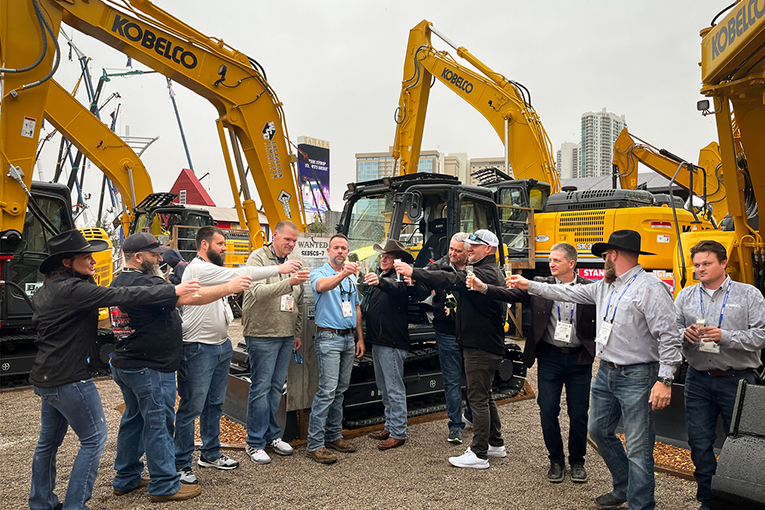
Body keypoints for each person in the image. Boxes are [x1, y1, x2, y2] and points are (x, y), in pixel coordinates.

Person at [509, 230, 683, 510]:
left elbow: (669, 336)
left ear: (613, 255)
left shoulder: (650, 287)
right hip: (606, 371)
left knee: (638, 446)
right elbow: (565, 290)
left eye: (604, 256)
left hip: (639, 375)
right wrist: (530, 285)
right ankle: (625, 486)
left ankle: (641, 503)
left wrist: (665, 378)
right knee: (599, 431)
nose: (603, 261)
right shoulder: (604, 286)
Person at [28, 229, 199, 510]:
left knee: (48, 443)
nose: (94, 262)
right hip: (70, 377)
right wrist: (172, 290)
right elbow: (119, 293)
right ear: (67, 262)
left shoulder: (50, 288)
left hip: (46, 375)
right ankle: (75, 505)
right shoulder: (73, 289)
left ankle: (41, 502)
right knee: (94, 440)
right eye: (87, 257)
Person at [110, 232, 251, 502]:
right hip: (149, 366)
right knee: (159, 424)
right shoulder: (144, 284)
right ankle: (165, 484)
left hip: (130, 363)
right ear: (138, 257)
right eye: (154, 254)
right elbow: (190, 298)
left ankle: (126, 477)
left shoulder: (122, 280)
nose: (160, 258)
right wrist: (230, 287)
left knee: (135, 420)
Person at [174, 226, 301, 484]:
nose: (224, 248)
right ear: (204, 246)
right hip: (198, 346)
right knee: (191, 407)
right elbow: (244, 273)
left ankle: (210, 453)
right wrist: (279, 271)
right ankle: (181, 463)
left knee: (214, 404)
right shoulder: (198, 268)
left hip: (221, 345)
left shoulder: (214, 272)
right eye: (220, 244)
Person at [471, 243, 596, 483]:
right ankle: (556, 460)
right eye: (550, 259)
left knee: (579, 414)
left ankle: (577, 461)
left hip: (579, 360)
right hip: (550, 358)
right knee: (548, 410)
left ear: (572, 263)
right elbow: (510, 294)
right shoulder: (541, 286)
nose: (551, 264)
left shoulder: (589, 290)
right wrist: (484, 288)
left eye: (557, 260)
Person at [396, 229, 507, 469]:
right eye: (467, 246)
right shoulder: (484, 269)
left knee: (477, 398)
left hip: (480, 344)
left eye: (474, 246)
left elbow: (452, 280)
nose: (469, 250)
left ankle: (478, 453)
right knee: (484, 396)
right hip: (480, 342)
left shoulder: (485, 272)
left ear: (488, 249)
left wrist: (415, 271)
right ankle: (495, 443)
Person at [674, 240, 765, 510]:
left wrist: (725, 336)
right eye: (697, 264)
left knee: (741, 445)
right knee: (699, 443)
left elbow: (761, 336)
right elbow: (670, 333)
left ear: (723, 263)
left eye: (706, 263)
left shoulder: (749, 295)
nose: (700, 269)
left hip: (739, 380)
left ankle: (740, 499)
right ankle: (708, 500)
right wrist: (684, 335)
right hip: (698, 379)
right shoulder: (685, 296)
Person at [241, 220, 309, 465]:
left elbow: (298, 302)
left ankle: (272, 436)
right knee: (260, 388)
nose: (291, 244)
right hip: (262, 334)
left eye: (294, 241)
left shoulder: (292, 263)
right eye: (287, 239)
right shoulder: (258, 258)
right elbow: (256, 293)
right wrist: (288, 281)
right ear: (275, 235)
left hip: (286, 335)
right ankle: (254, 442)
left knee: (275, 388)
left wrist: (297, 331)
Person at [306, 233, 365, 464]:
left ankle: (333, 435)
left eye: (344, 248)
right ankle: (315, 443)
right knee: (327, 391)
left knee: (340, 390)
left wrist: (360, 338)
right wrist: (343, 274)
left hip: (348, 339)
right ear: (329, 251)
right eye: (336, 248)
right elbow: (321, 287)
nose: (340, 251)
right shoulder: (320, 273)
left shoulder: (351, 279)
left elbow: (356, 307)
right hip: (329, 338)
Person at [364, 239, 427, 450]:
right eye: (382, 256)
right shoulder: (384, 275)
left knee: (393, 388)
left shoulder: (400, 278)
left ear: (397, 261)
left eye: (388, 257)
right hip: (380, 339)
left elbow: (396, 289)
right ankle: (390, 426)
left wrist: (379, 282)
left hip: (391, 340)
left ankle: (398, 431)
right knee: (385, 387)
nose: (383, 259)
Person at [423, 232, 472, 444]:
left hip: (472, 333)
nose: (452, 253)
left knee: (474, 381)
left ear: (468, 252)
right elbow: (422, 283)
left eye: (457, 250)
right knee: (452, 381)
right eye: (451, 248)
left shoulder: (477, 269)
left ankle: (472, 414)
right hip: (446, 332)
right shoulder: (438, 267)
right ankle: (455, 425)